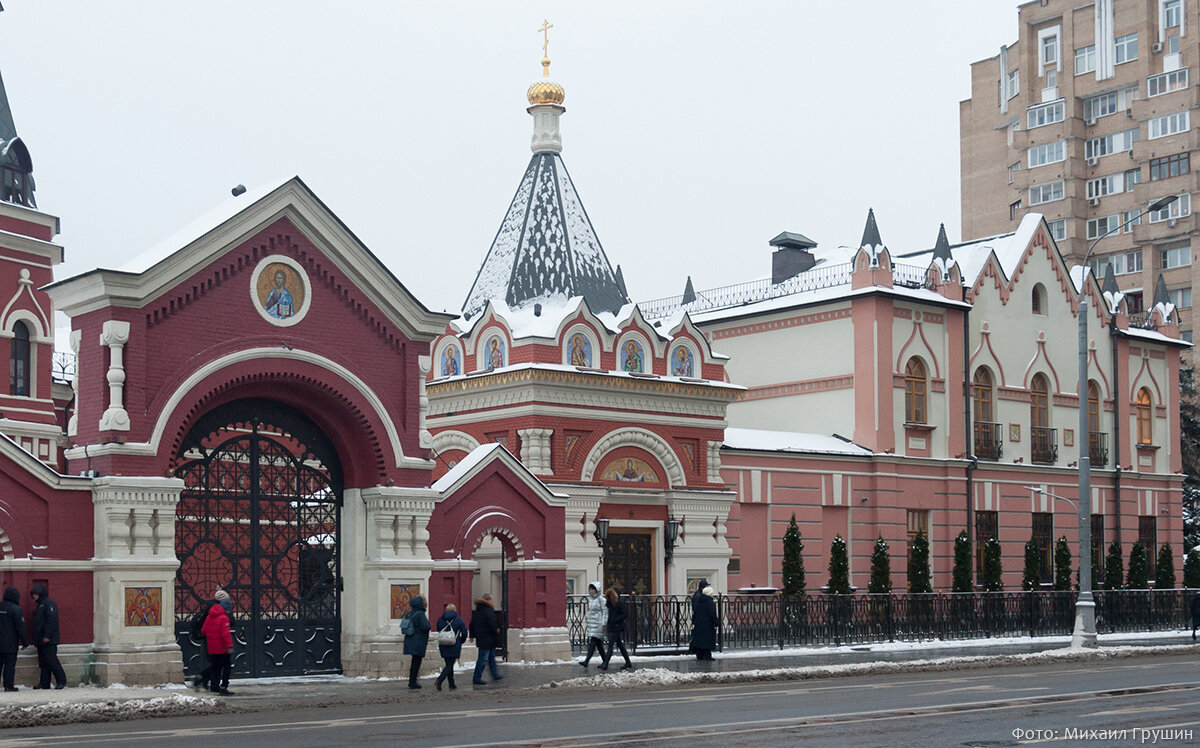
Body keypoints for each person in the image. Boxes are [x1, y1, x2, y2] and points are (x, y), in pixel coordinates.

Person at [29, 585, 66, 690]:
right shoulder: (41, 605)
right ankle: (44, 683)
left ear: (40, 593)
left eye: (35, 594)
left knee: (52, 660)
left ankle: (61, 680)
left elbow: (51, 619)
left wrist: (47, 635)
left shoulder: (48, 603)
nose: (33, 596)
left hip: (48, 639)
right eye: (33, 594)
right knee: (44, 662)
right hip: (41, 640)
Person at [200, 589, 234, 695]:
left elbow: (203, 630)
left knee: (216, 666)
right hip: (222, 647)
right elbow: (225, 634)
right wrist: (229, 646)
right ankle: (223, 686)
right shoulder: (224, 618)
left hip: (211, 646)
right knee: (225, 666)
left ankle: (210, 684)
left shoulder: (210, 615)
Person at [468, 593, 503, 685]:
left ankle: (495, 675)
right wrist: (496, 633)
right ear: (488, 600)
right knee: (483, 659)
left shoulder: (478, 610)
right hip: (488, 638)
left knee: (491, 657)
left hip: (482, 638)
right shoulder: (488, 610)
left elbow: (472, 624)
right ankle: (477, 677)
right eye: (491, 600)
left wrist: (472, 635)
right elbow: (492, 624)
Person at [434, 603, 468, 691]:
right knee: (450, 664)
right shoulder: (458, 619)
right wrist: (461, 641)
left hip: (443, 644)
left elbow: (438, 628)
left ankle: (451, 684)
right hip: (454, 644)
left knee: (448, 664)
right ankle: (439, 680)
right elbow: (464, 632)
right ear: (454, 610)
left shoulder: (441, 619)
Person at [0, 587, 26, 691]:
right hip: (10, 643)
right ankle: (8, 686)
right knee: (9, 666)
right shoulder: (16, 609)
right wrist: (24, 642)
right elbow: (20, 627)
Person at [402, 595, 431, 689]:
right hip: (418, 640)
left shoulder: (409, 613)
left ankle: (412, 681)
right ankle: (413, 682)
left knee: (414, 661)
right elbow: (426, 627)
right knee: (416, 662)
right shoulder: (420, 614)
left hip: (410, 639)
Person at [579, 582, 609, 668]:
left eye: (592, 589)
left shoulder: (601, 599)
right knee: (599, 645)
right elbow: (591, 611)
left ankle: (586, 661)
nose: (591, 591)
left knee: (593, 643)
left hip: (598, 624)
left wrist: (604, 624)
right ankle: (605, 662)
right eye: (590, 589)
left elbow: (605, 612)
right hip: (593, 624)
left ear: (597, 590)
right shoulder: (591, 599)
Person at [602, 588, 632, 671]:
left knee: (611, 644)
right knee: (620, 645)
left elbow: (625, 614)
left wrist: (616, 620)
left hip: (618, 626)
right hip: (612, 626)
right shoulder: (611, 604)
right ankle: (628, 662)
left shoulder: (620, 603)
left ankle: (606, 663)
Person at [689, 580, 718, 662]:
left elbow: (695, 611)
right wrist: (716, 622)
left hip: (699, 623)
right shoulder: (709, 602)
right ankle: (707, 655)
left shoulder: (700, 599)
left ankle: (700, 654)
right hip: (707, 624)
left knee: (700, 639)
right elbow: (712, 613)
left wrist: (694, 621)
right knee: (707, 639)